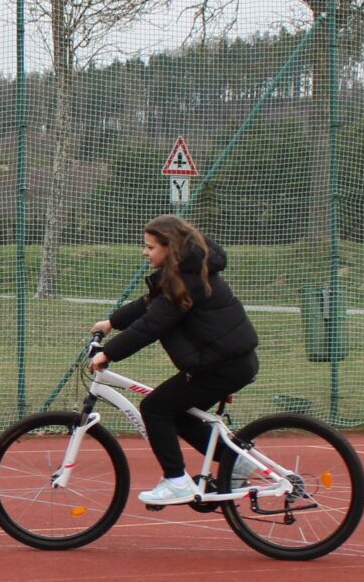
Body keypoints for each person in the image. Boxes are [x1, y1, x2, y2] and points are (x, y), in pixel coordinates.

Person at [89, 213, 260, 506]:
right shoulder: (186, 273)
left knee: (155, 408)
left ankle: (176, 481)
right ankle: (238, 462)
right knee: (180, 415)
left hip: (222, 366)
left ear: (170, 248)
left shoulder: (185, 280)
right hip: (226, 362)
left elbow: (152, 324)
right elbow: (150, 304)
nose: (145, 252)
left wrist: (109, 353)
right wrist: (112, 322)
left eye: (150, 247)